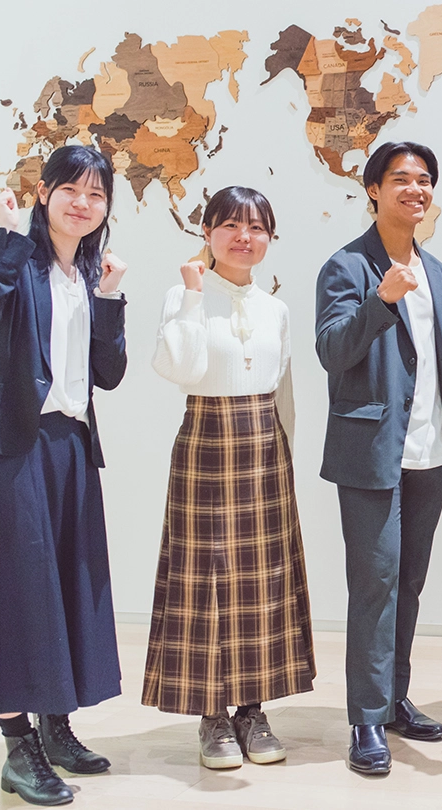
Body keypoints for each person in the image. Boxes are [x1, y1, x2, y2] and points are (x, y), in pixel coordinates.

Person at [0, 144, 128, 806]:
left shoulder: (88, 274)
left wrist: (109, 298)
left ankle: (56, 724)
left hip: (70, 450)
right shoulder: (17, 259)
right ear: (44, 193)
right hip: (14, 446)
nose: (84, 201)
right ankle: (18, 745)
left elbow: (107, 374)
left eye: (97, 193)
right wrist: (5, 237)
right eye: (71, 188)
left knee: (66, 590)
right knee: (17, 595)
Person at [145, 186, 315, 769]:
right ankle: (212, 715)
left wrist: (286, 453)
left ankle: (252, 709)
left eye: (258, 228)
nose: (245, 237)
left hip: (266, 448)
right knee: (205, 577)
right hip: (206, 443)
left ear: (269, 238)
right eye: (231, 225)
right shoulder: (184, 293)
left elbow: (283, 389)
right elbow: (179, 368)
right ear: (208, 231)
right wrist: (192, 298)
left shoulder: (276, 307)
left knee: (261, 580)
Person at [315, 141, 442, 775]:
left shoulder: (437, 273)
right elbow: (332, 351)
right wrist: (380, 301)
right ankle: (366, 719)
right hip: (371, 452)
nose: (415, 189)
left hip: (431, 454)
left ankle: (396, 697)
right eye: (401, 179)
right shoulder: (346, 266)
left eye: (424, 180)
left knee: (408, 582)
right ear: (373, 190)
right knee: (374, 585)